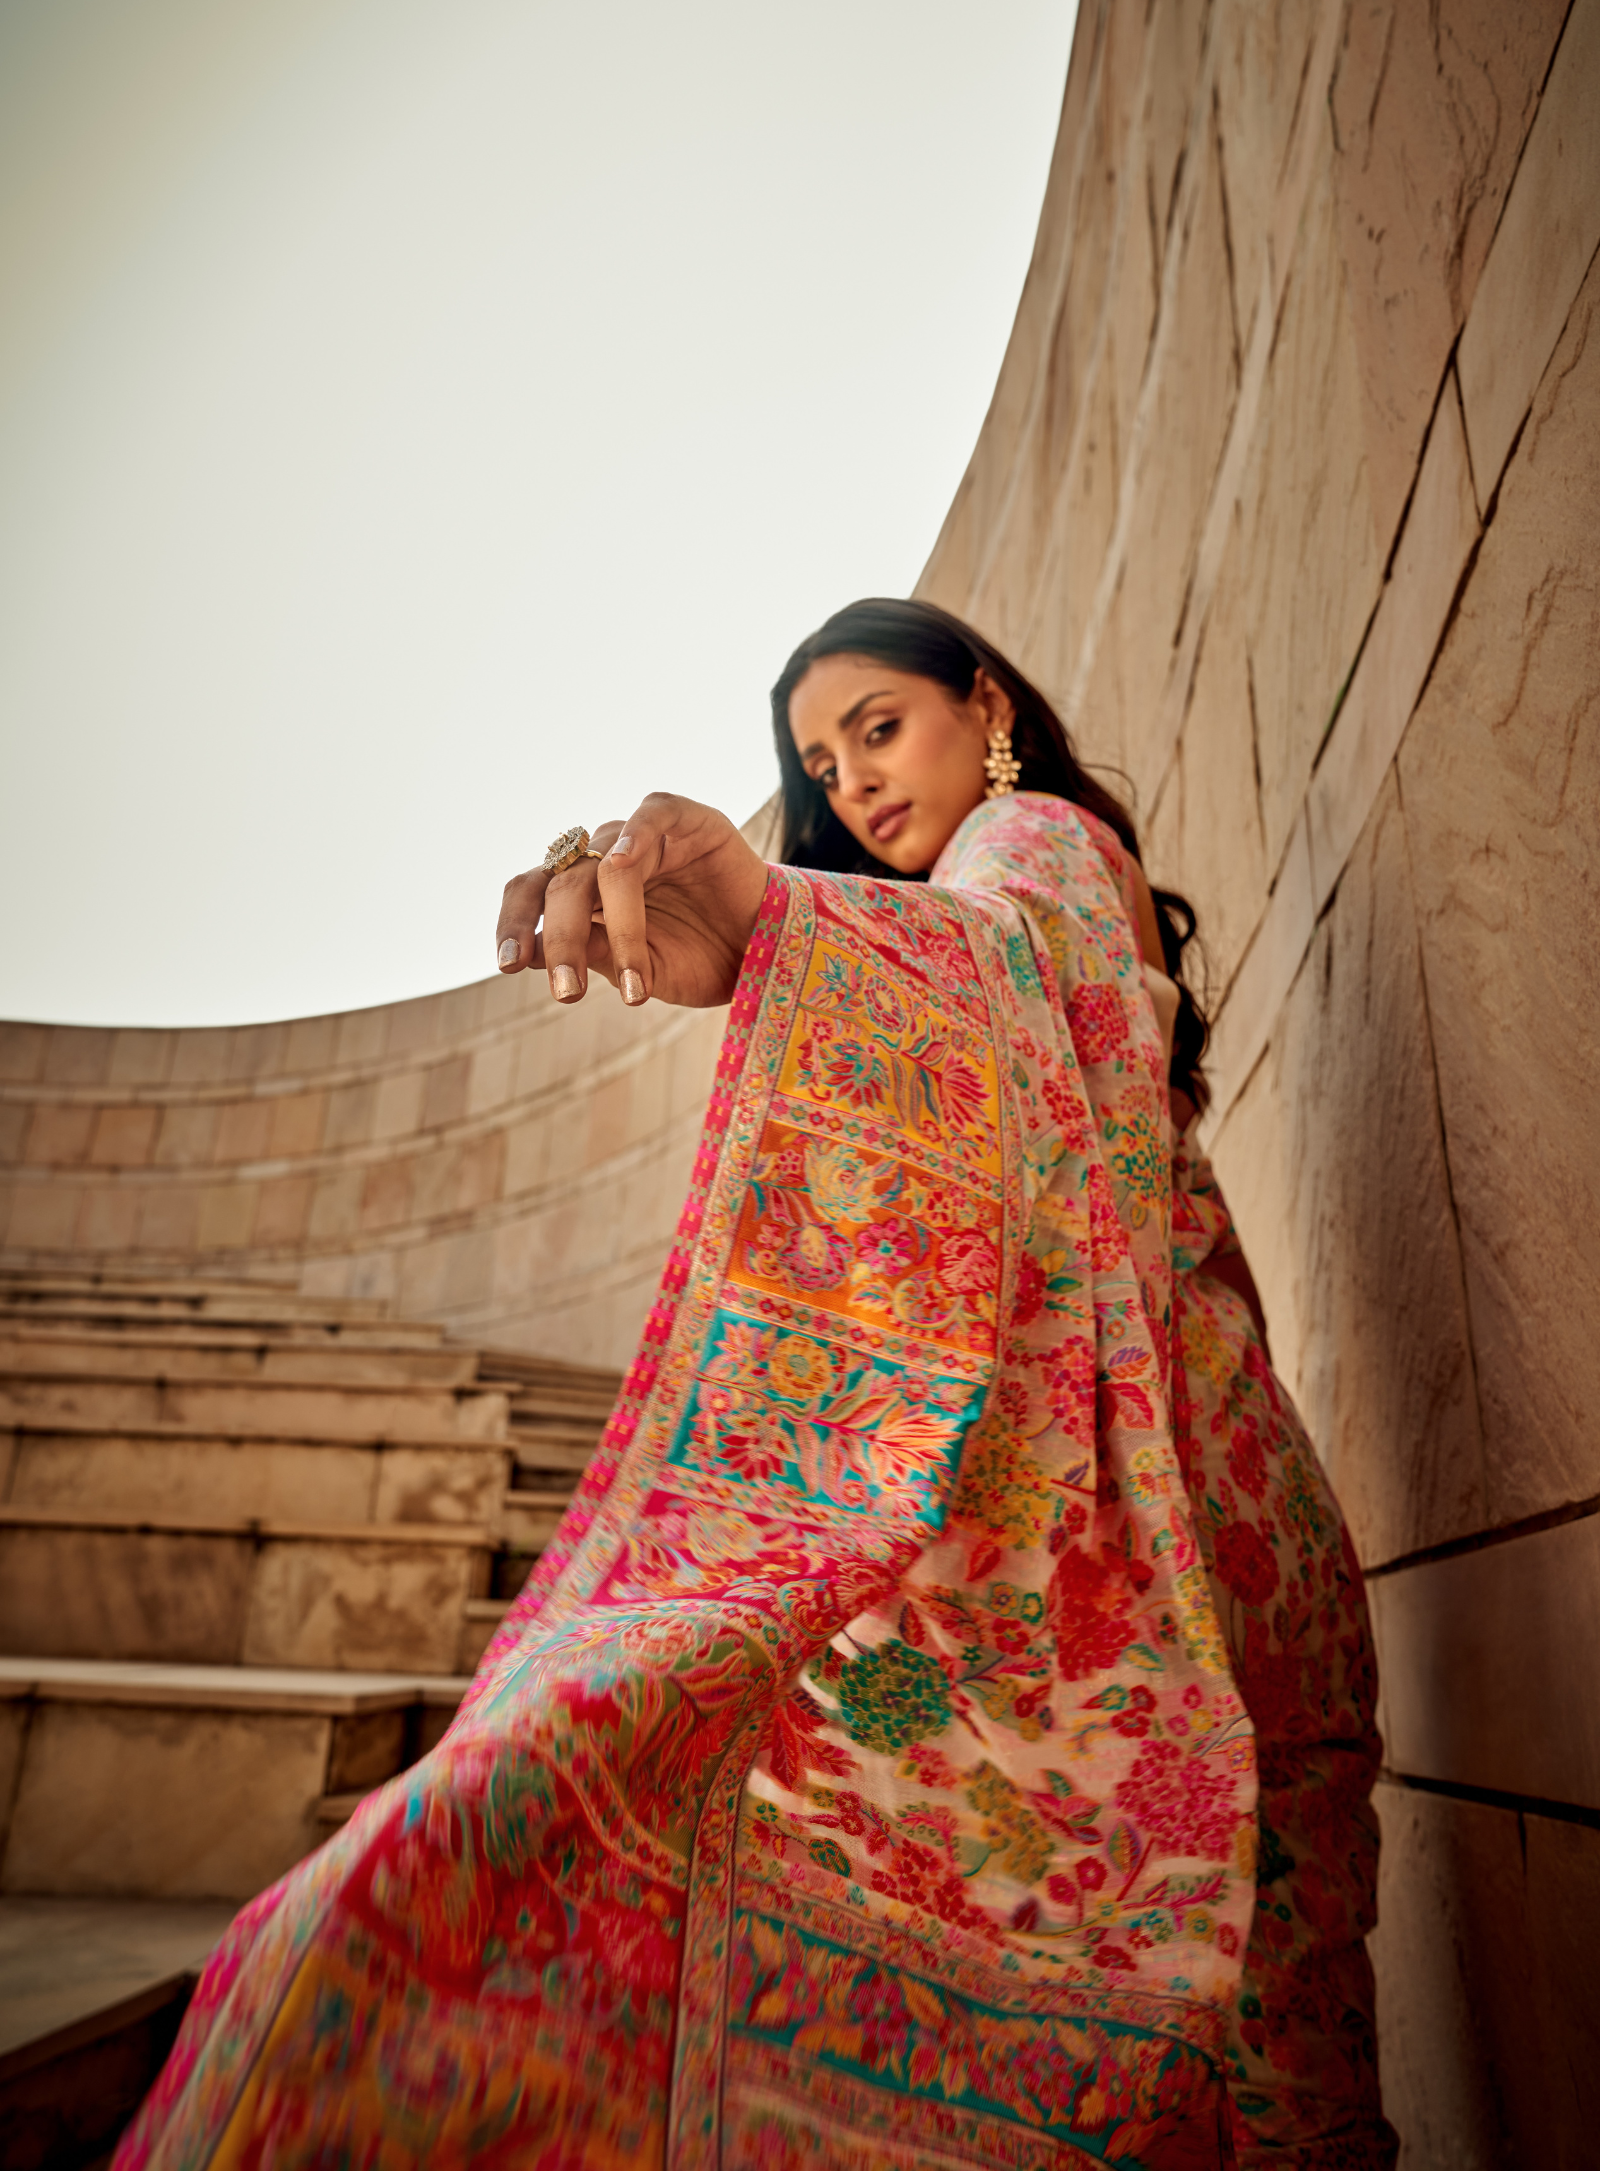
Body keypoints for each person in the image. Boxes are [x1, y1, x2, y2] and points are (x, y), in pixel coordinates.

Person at [117, 598, 1392, 2170]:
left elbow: (1005, 950)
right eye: (823, 765)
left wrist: (787, 925)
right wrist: (796, 941)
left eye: (878, 726)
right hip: (1236, 1519)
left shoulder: (1036, 842)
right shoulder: (1002, 882)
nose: (855, 782)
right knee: (1293, 2053)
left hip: (1190, 1530)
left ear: (986, 705)